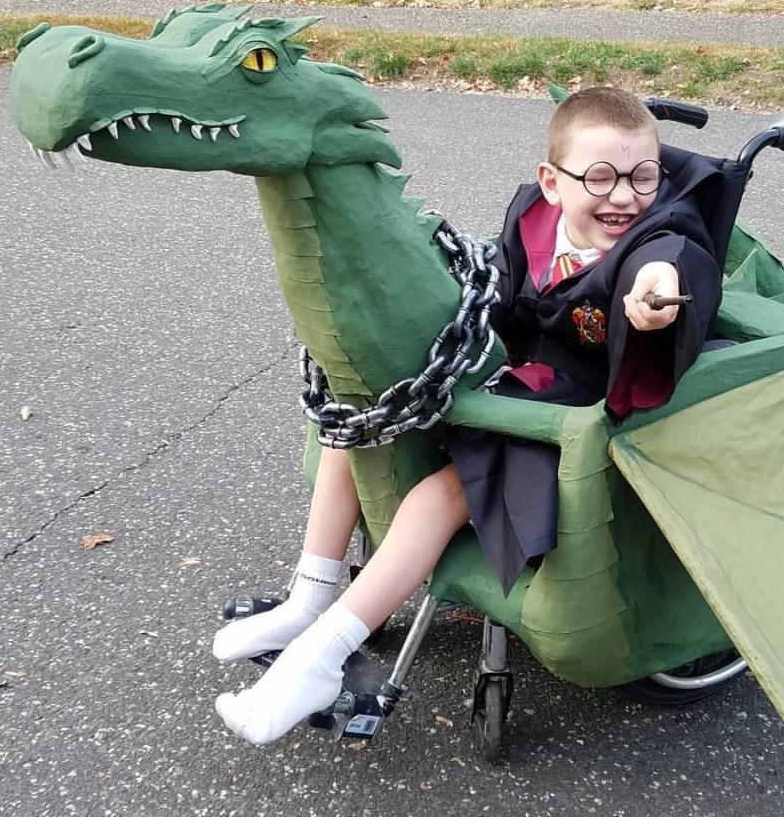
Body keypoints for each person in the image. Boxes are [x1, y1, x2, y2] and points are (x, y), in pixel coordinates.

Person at [213, 87, 723, 745]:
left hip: (569, 411)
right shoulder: (531, 217)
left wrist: (652, 297)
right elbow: (498, 290)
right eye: (600, 177)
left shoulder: (660, 238)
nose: (624, 196)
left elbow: (665, 261)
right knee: (359, 420)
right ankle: (310, 595)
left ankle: (320, 657)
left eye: (643, 176)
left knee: (440, 492)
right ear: (551, 180)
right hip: (504, 371)